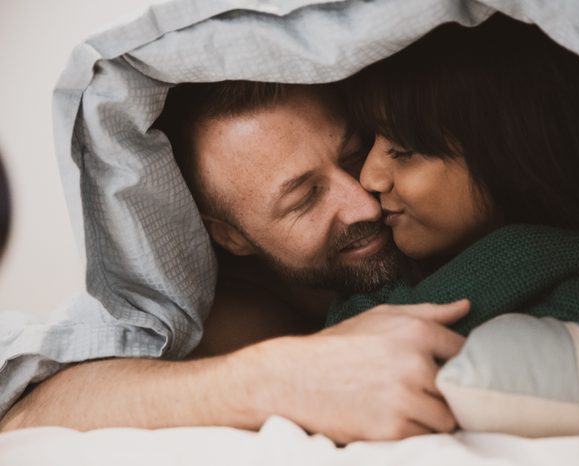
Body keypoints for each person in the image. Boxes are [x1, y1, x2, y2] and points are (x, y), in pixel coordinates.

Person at [0, 82, 469, 443]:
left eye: (351, 156)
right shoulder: (231, 321)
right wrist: (281, 375)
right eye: (304, 199)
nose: (364, 205)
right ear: (230, 236)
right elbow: (28, 413)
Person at [327, 16, 579, 386]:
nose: (368, 178)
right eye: (369, 139)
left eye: (404, 151)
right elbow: (346, 339)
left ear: (512, 155)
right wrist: (529, 252)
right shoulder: (407, 254)